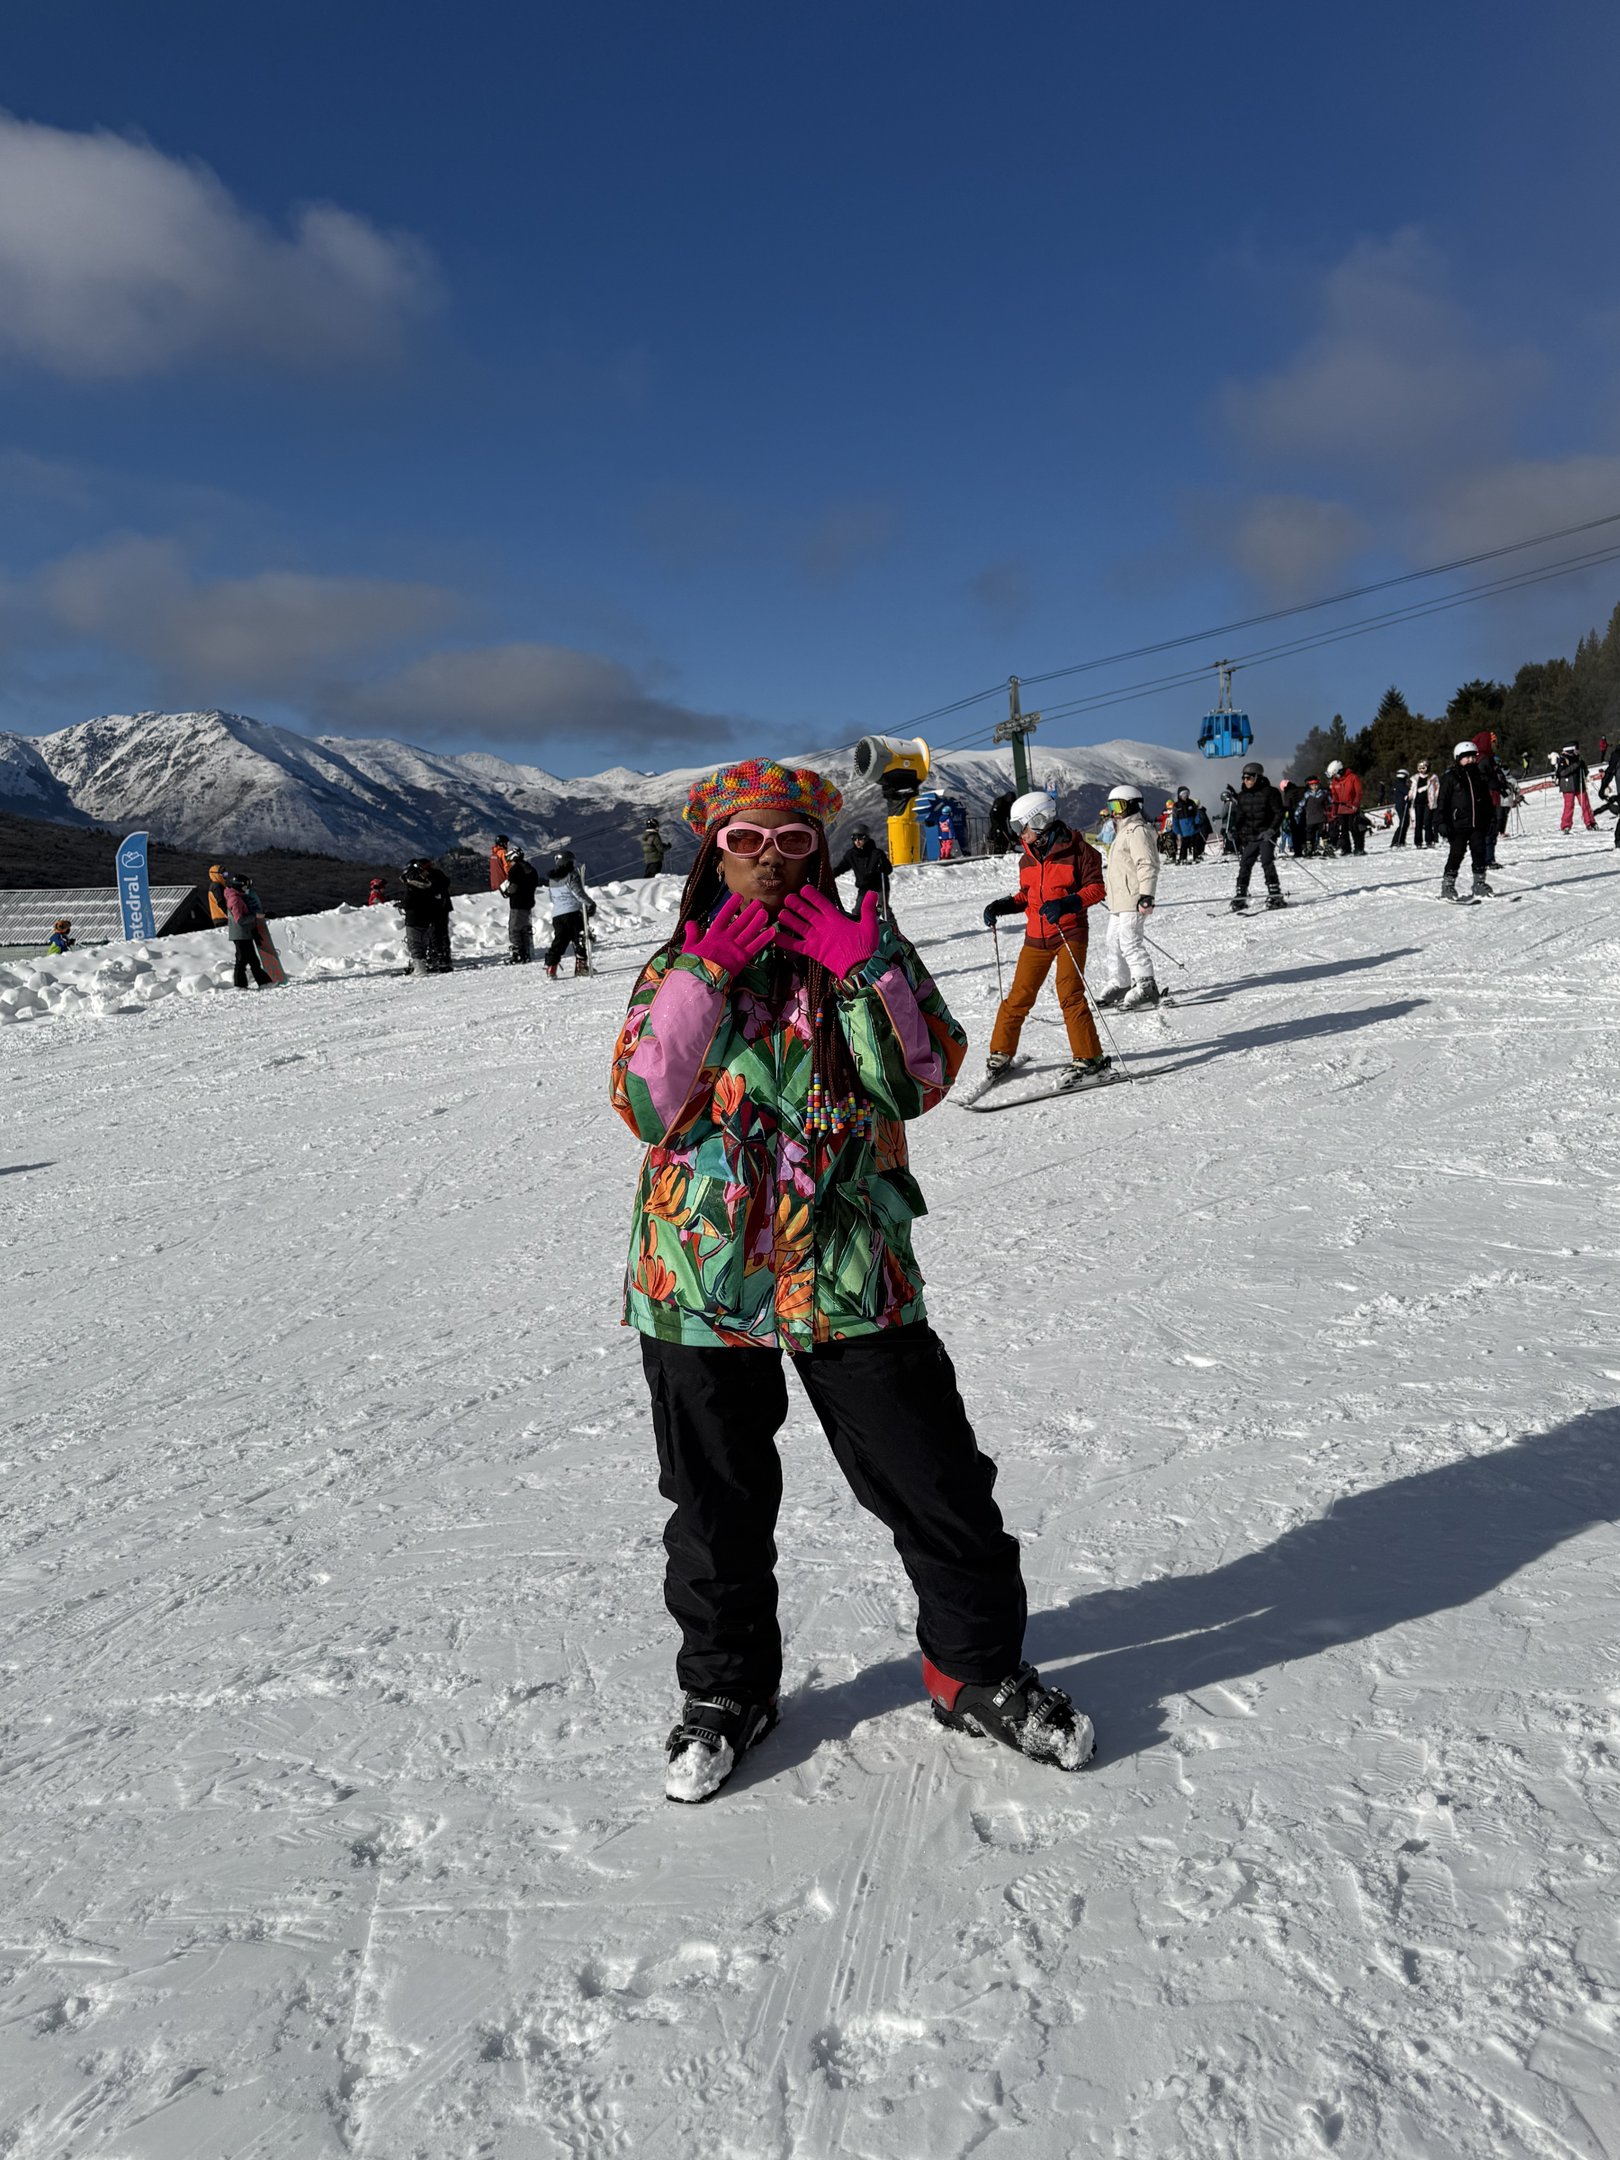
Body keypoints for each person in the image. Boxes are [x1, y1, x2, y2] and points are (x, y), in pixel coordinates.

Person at [610, 756, 1092, 1803]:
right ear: (714, 855)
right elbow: (646, 1106)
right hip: (701, 1273)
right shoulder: (674, 966)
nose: (773, 860)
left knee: (936, 1479)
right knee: (714, 1503)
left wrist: (865, 971)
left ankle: (975, 1671)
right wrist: (703, 982)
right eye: (749, 841)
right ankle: (728, 1692)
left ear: (820, 853)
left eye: (794, 843)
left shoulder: (869, 951)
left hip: (848, 1263)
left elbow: (919, 1079)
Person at [981, 789, 1112, 1083]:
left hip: (1070, 932)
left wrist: (1068, 903)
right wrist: (1002, 906)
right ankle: (1001, 1052)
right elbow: (1027, 896)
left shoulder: (1080, 851)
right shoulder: (1026, 859)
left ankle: (1090, 1058)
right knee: (1018, 996)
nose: (1018, 835)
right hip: (1035, 937)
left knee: (1069, 995)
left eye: (1020, 827)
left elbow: (1096, 889)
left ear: (1039, 822)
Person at [1093, 783, 1161, 1009]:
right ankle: (1121, 982)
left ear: (1132, 806)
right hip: (1119, 900)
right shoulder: (1122, 831)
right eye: (1111, 806)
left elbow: (1147, 864)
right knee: (1112, 941)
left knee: (1130, 941)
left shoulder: (1138, 831)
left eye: (1119, 805)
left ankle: (1146, 985)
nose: (1114, 811)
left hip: (1133, 897)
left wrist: (1146, 895)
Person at [1436, 741, 1496, 901]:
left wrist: (1491, 818)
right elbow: (1442, 801)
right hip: (1457, 825)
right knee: (1457, 853)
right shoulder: (1450, 777)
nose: (1470, 760)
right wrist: (1441, 822)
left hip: (1478, 823)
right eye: (1466, 758)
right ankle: (1447, 885)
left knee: (1479, 852)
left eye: (1472, 757)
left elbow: (1487, 801)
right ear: (1458, 759)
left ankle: (1479, 883)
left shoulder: (1480, 777)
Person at [1226, 761, 1288, 911]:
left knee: (1267, 861)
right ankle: (1241, 895)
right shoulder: (1242, 796)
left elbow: (1279, 813)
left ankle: (1275, 894)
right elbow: (1240, 817)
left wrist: (1272, 830)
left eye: (1249, 777)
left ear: (1258, 777)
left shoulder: (1271, 792)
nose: (1245, 781)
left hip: (1266, 834)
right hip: (1251, 836)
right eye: (1244, 778)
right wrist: (1234, 829)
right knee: (1245, 863)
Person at [545, 848, 596, 976]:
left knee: (559, 941)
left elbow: (552, 897)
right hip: (573, 913)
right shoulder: (571, 875)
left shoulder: (552, 880)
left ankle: (551, 966)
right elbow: (578, 893)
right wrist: (590, 904)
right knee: (579, 938)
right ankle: (581, 967)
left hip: (557, 915)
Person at [398, 858, 452, 976]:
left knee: (421, 940)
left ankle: (429, 962)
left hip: (426, 914)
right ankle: (439, 958)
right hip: (435, 911)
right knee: (434, 935)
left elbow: (411, 901)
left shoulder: (421, 882)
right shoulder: (431, 879)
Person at [220, 872, 272, 988]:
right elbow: (240, 919)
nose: (247, 889)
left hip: (244, 933)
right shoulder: (235, 900)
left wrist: (261, 915)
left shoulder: (237, 897)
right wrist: (256, 916)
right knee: (242, 961)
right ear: (239, 886)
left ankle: (264, 983)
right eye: (245, 887)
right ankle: (240, 986)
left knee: (252, 960)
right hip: (240, 934)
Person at [832, 825, 893, 916]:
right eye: (854, 839)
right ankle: (858, 929)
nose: (857, 841)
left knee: (881, 910)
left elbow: (888, 870)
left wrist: (883, 866)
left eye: (860, 838)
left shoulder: (877, 853)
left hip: (879, 887)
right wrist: (830, 875)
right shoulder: (851, 855)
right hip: (864, 888)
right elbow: (841, 867)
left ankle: (891, 928)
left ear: (866, 838)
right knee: (857, 912)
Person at [500, 843, 541, 964]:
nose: (509, 862)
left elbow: (513, 887)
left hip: (517, 903)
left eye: (509, 858)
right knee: (524, 929)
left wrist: (506, 892)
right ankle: (526, 952)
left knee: (514, 929)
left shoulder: (515, 870)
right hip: (528, 902)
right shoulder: (531, 869)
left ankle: (517, 953)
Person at [1325, 759, 1364, 854]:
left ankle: (1359, 848)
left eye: (1335, 774)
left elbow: (1358, 793)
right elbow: (1334, 796)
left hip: (1351, 808)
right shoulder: (1335, 781)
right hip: (1341, 809)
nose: (1335, 777)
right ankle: (1346, 849)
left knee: (1353, 828)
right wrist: (1334, 810)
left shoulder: (1352, 778)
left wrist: (1355, 804)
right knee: (1343, 830)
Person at [1555, 744, 1595, 833]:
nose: (1578, 751)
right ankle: (1566, 825)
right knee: (1569, 806)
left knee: (1585, 804)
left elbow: (1585, 772)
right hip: (1568, 786)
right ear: (1571, 750)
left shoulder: (1578, 759)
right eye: (1576, 749)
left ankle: (1590, 822)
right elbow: (1562, 772)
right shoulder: (1563, 759)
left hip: (1579, 785)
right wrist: (1576, 765)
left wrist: (1584, 768)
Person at [1300, 776, 1330, 856]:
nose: (1314, 786)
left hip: (1321, 817)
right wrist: (1297, 812)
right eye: (1312, 785)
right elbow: (1301, 804)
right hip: (1310, 819)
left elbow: (1331, 802)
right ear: (1309, 786)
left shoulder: (1323, 793)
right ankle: (1310, 848)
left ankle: (1326, 847)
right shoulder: (1307, 795)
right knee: (1310, 835)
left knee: (1323, 833)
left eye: (1316, 784)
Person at [1411, 761, 1438, 849]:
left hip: (1428, 803)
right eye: (1420, 768)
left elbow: (1437, 789)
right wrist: (1408, 795)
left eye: (1424, 768)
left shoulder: (1433, 777)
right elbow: (1412, 789)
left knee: (1427, 822)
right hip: (1418, 803)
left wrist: (1436, 799)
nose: (1422, 770)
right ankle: (1418, 842)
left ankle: (1429, 840)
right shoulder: (1415, 778)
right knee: (1418, 823)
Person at [1390, 769, 1412, 847]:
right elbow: (1408, 791)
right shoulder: (1400, 784)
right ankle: (1397, 841)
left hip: (1401, 805)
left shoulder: (1398, 784)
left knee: (1405, 823)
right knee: (1403, 823)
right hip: (1402, 806)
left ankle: (1401, 840)